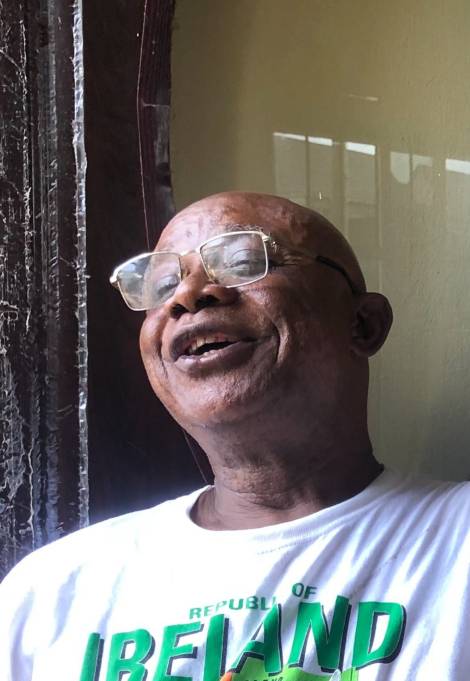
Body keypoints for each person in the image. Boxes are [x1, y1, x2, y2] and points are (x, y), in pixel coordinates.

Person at [1, 191, 470, 681]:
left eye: (243, 262)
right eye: (162, 285)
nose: (187, 295)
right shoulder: (52, 595)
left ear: (363, 324)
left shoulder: (457, 548)